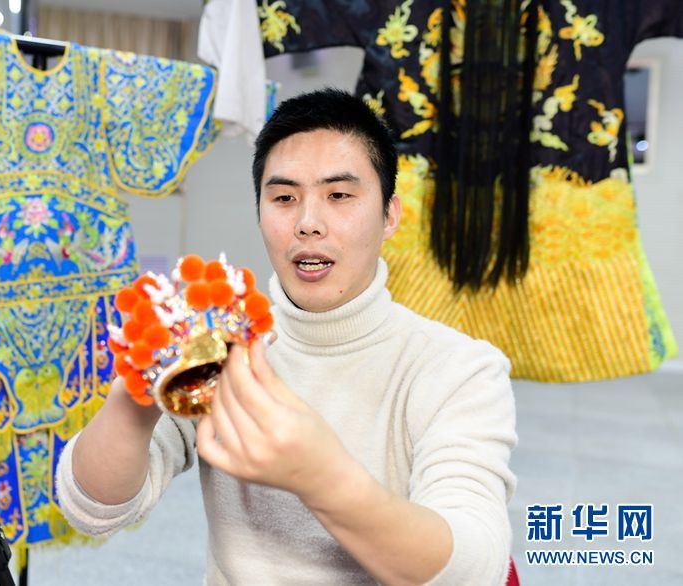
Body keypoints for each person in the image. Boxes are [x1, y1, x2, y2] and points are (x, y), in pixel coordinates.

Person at [55, 87, 517, 585]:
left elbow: (475, 568)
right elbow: (92, 508)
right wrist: (137, 395)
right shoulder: (223, 346)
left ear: (390, 215)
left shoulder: (458, 369)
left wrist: (321, 477)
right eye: (283, 198)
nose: (308, 224)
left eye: (339, 195)